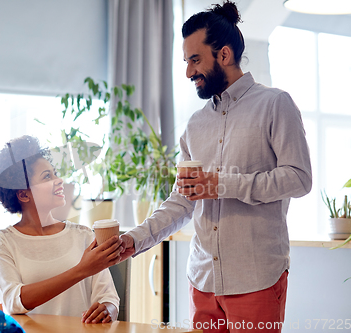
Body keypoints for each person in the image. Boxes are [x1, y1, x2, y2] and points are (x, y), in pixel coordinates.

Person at [119, 1, 312, 332]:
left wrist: (222, 184)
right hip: (202, 282)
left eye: (195, 60)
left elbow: (298, 179)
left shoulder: (275, 104)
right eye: (186, 61)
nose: (188, 72)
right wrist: (135, 240)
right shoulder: (195, 126)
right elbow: (183, 200)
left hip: (257, 279)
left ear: (224, 55)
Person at [0, 135, 121, 323]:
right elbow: (14, 301)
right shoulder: (1, 242)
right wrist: (81, 270)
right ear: (24, 194)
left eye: (55, 173)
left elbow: (109, 298)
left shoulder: (83, 235)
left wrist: (107, 310)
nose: (59, 181)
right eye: (47, 176)